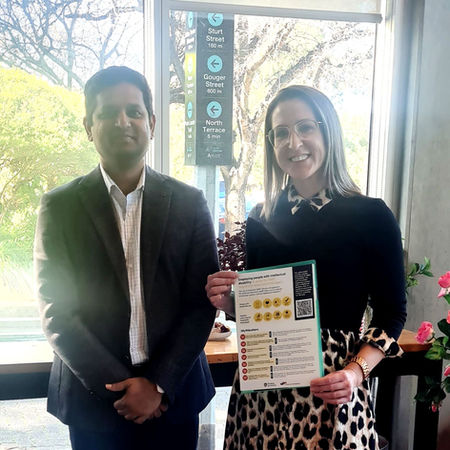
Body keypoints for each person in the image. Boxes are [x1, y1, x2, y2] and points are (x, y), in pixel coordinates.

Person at [206, 85, 406, 450]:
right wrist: (231, 302)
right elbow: (260, 311)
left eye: (305, 127)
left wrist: (355, 373)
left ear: (328, 131)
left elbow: (392, 314)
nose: (293, 142)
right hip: (262, 395)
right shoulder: (261, 218)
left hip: (334, 390)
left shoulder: (372, 216)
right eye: (281, 133)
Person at [34, 66, 218, 450]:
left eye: (134, 111)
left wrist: (158, 385)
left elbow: (200, 304)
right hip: (95, 402)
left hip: (173, 399)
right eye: (107, 113)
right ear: (89, 126)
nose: (123, 122)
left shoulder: (189, 203)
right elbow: (57, 311)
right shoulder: (60, 207)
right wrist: (124, 389)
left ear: (152, 123)